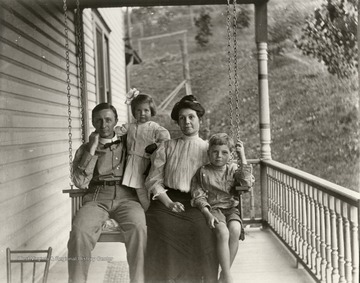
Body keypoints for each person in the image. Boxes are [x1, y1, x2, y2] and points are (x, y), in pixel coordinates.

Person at [67, 103, 146, 283]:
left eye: (108, 120)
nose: (104, 125)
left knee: (139, 228)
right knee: (79, 232)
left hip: (127, 196)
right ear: (93, 122)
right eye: (99, 120)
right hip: (96, 198)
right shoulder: (85, 149)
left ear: (116, 121)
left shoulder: (129, 144)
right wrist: (92, 148)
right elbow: (80, 182)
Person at [144, 95, 219, 283]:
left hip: (197, 202)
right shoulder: (167, 147)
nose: (187, 122)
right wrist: (168, 203)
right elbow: (154, 180)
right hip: (167, 201)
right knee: (161, 226)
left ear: (199, 119)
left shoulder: (208, 149)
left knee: (202, 230)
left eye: (191, 117)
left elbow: (223, 173)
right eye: (182, 118)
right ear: (178, 122)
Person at [190, 133, 255, 283]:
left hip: (231, 208)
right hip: (213, 209)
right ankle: (227, 276)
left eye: (224, 152)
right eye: (215, 152)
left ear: (231, 154)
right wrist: (207, 214)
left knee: (235, 229)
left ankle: (224, 275)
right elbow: (198, 195)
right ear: (209, 153)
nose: (219, 156)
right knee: (223, 232)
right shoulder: (203, 172)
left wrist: (242, 156)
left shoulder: (233, 169)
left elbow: (246, 183)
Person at [115, 88, 170, 211]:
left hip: (146, 162)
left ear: (151, 111)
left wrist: (156, 146)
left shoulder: (154, 127)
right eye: (138, 110)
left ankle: (150, 210)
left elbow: (166, 138)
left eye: (146, 110)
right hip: (132, 162)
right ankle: (144, 211)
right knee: (137, 189)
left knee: (148, 187)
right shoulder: (130, 126)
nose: (142, 113)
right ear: (134, 112)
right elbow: (117, 132)